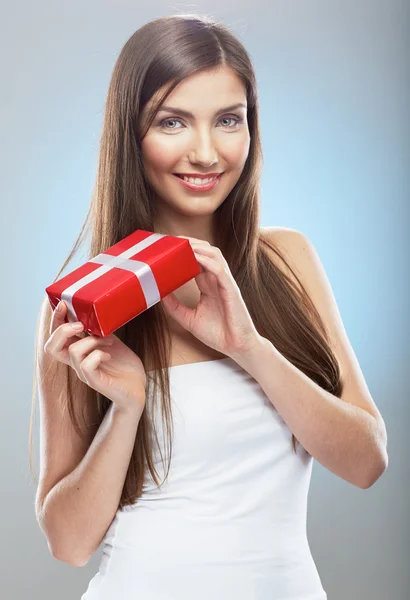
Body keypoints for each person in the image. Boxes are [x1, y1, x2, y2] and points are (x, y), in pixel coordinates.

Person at [29, 14, 388, 600]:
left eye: (228, 120)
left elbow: (367, 462)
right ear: (131, 134)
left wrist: (249, 348)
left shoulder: (287, 260)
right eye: (172, 122)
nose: (205, 152)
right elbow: (68, 544)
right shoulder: (82, 305)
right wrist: (127, 408)